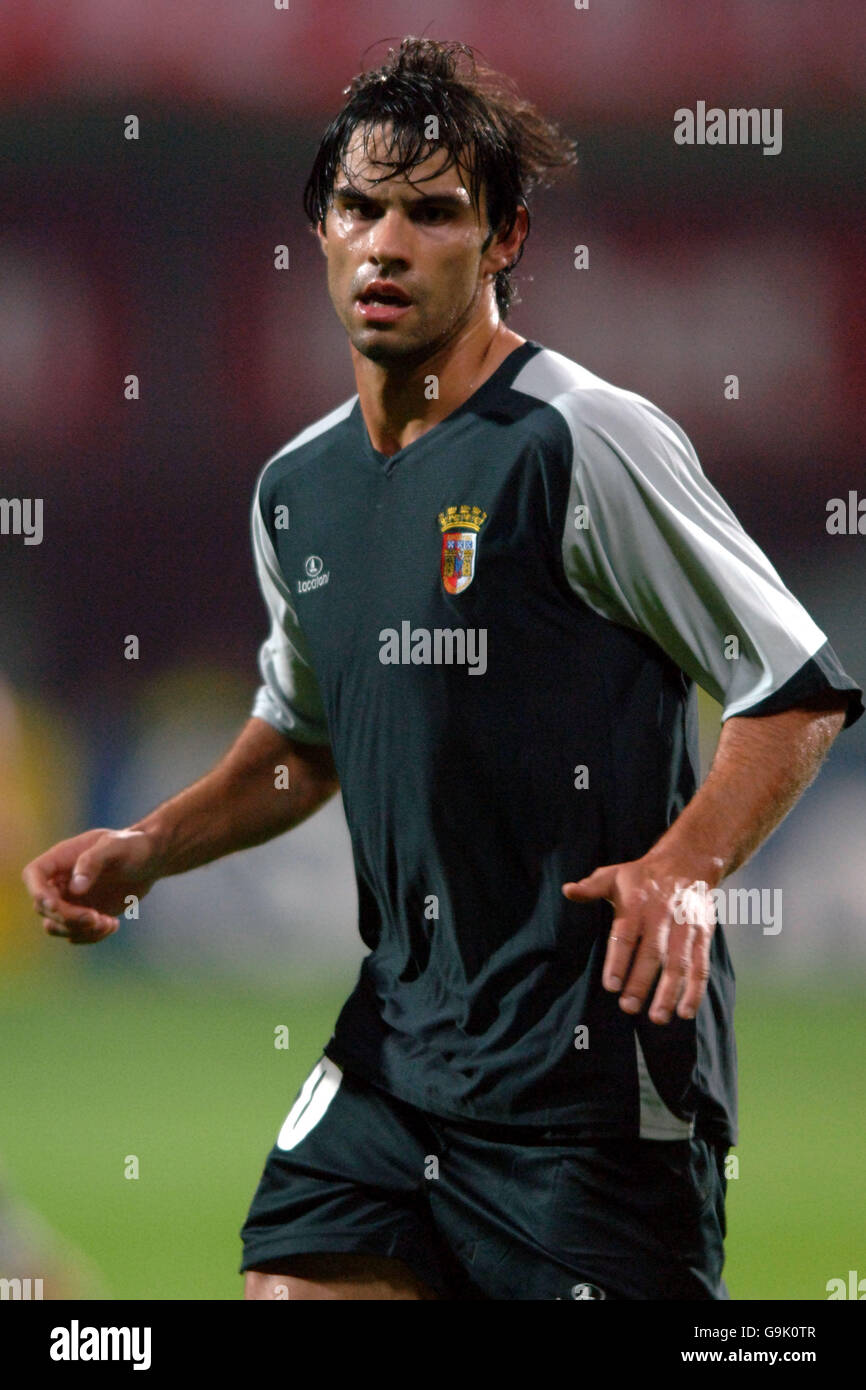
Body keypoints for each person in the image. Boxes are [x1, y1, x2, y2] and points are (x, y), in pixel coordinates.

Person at [22, 38, 863, 1301]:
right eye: (359, 207)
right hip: (398, 1057)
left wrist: (686, 874)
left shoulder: (583, 442)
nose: (387, 242)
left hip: (591, 1077)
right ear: (317, 226)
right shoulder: (296, 492)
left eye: (433, 212)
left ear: (503, 237)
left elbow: (793, 683)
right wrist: (152, 846)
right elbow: (304, 740)